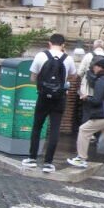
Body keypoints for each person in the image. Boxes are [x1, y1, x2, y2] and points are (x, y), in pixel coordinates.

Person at [21, 34, 77, 173]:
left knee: (37, 127)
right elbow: (73, 75)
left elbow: (33, 77)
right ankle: (48, 163)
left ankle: (32, 159)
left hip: (43, 96)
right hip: (59, 98)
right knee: (55, 129)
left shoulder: (41, 56)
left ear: (49, 43)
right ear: (63, 45)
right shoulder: (68, 58)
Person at [67, 58, 104, 185]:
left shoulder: (101, 81)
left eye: (94, 66)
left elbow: (97, 101)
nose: (93, 68)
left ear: (99, 67)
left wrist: (86, 98)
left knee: (83, 130)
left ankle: (81, 158)